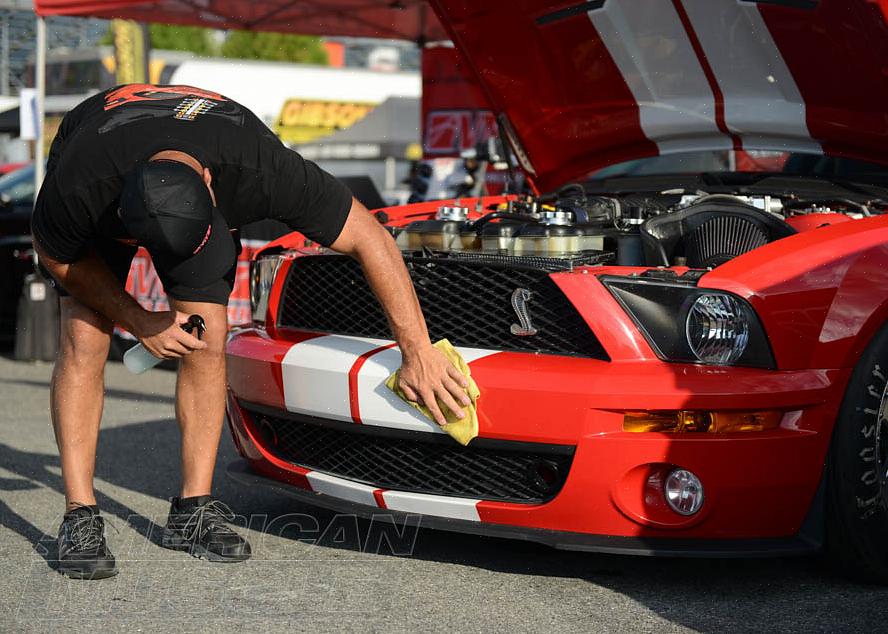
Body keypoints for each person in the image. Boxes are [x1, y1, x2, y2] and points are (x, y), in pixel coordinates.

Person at [32, 84, 471, 580]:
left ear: (210, 183)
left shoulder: (263, 167)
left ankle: (193, 510)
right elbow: (56, 256)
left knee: (206, 335)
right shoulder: (81, 182)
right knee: (85, 335)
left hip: (211, 139)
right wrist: (137, 318)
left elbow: (370, 239)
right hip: (101, 134)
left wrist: (418, 352)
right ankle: (80, 513)